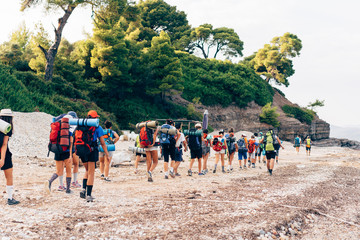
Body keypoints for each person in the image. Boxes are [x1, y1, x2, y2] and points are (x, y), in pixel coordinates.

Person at [75, 110, 110, 202]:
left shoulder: (81, 125)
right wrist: (107, 154)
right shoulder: (97, 127)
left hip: (81, 150)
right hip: (92, 150)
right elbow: (102, 142)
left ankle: (83, 189)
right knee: (91, 172)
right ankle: (89, 195)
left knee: (87, 170)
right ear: (95, 118)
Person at [45, 114, 74, 195]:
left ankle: (49, 181)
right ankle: (68, 189)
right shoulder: (69, 130)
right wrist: (71, 155)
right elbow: (71, 143)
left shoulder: (58, 129)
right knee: (68, 171)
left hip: (57, 150)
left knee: (58, 171)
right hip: (66, 152)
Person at [0, 109, 20, 205]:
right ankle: (10, 198)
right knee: (9, 176)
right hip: (5, 154)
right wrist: (2, 159)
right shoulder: (7, 128)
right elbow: (4, 144)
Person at [67, 111, 81, 188]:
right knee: (76, 164)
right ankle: (74, 181)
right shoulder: (76, 126)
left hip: (64, 146)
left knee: (66, 166)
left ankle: (62, 184)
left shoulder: (65, 126)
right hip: (74, 146)